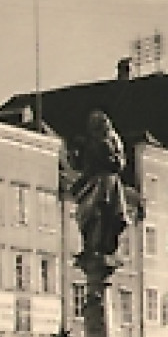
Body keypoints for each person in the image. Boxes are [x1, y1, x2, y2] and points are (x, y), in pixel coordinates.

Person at [68, 110, 130, 259]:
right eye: (93, 126)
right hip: (90, 182)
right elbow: (78, 164)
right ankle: (90, 245)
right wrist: (75, 154)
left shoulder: (112, 140)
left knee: (101, 213)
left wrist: (105, 148)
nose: (95, 130)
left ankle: (101, 246)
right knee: (87, 215)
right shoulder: (87, 142)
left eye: (98, 125)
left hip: (106, 183)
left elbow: (119, 163)